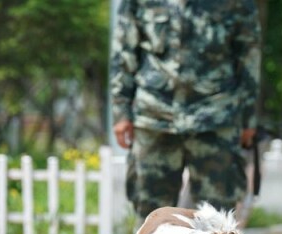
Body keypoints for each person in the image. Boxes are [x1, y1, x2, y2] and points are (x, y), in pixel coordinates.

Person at [110, 0, 261, 219]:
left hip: (216, 119)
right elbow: (124, 52)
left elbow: (249, 58)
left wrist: (248, 118)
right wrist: (121, 111)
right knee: (152, 219)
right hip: (154, 118)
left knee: (218, 222)